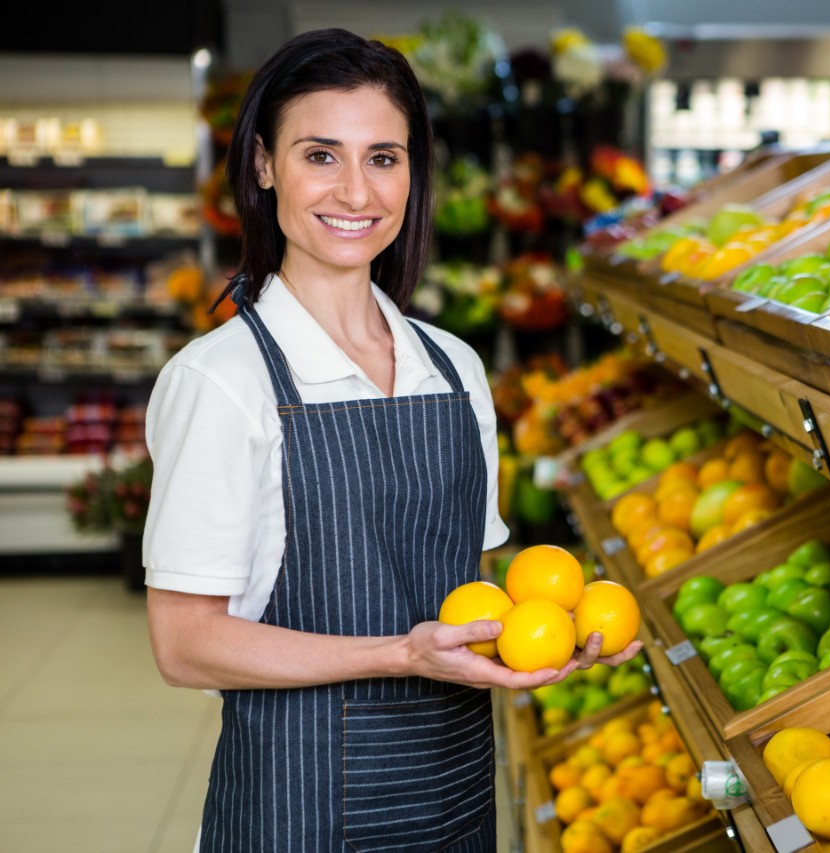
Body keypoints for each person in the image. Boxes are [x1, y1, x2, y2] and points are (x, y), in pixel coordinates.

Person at [143, 28, 641, 852]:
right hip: (293, 806)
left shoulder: (455, 368)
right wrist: (403, 654)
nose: (356, 190)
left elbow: (461, 583)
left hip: (451, 794)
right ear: (265, 165)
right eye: (320, 155)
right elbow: (184, 643)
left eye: (383, 157)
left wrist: (548, 623)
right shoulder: (222, 381)